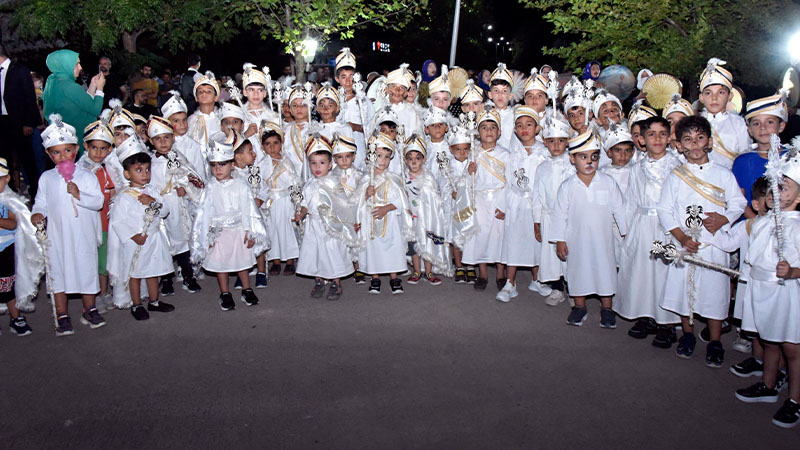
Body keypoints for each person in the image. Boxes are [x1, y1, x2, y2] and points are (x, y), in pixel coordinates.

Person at [657, 115, 746, 367]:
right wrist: (682, 237)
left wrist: (724, 219)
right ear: (680, 145)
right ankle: (687, 334)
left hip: (714, 243)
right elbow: (665, 210)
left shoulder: (723, 174)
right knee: (685, 292)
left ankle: (716, 341)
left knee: (715, 293)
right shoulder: (676, 176)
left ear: (709, 141)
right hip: (686, 244)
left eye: (699, 139)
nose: (694, 145)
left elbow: (738, 203)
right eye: (688, 140)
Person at [734, 153, 800, 428]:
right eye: (774, 183)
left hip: (783, 292)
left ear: (798, 199)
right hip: (760, 288)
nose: (775, 189)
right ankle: (768, 383)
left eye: (783, 186)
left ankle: (795, 400)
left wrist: (795, 271)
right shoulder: (761, 221)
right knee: (769, 340)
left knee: (791, 347)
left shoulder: (796, 227)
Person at [31, 115, 105, 336]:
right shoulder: (46, 178)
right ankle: (62, 313)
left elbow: (98, 202)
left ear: (76, 150)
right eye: (56, 152)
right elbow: (41, 202)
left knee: (87, 271)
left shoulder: (86, 176)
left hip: (83, 234)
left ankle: (89, 308)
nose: (62, 156)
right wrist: (37, 213)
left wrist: (79, 193)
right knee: (58, 272)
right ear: (48, 154)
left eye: (67, 151)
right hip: (58, 236)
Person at [614, 116, 682, 347]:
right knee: (641, 272)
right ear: (642, 139)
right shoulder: (636, 167)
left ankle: (667, 323)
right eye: (651, 134)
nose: (657, 139)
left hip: (666, 226)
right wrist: (627, 230)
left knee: (663, 273)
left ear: (670, 137)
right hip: (642, 224)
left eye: (663, 134)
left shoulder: (677, 166)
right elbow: (631, 200)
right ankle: (646, 316)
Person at [552, 130, 627, 328]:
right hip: (576, 240)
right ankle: (579, 306)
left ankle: (607, 308)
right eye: (583, 157)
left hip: (603, 240)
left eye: (594, 157)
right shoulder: (567, 186)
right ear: (572, 159)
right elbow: (559, 214)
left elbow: (619, 208)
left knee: (605, 270)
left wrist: (626, 233)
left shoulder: (608, 182)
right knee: (578, 271)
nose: (589, 162)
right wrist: (560, 240)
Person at [191, 133, 267, 310]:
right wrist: (207, 237)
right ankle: (224, 292)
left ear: (232, 165)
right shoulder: (209, 188)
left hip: (238, 230)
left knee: (242, 262)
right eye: (214, 165)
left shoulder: (241, 185)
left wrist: (250, 231)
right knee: (221, 264)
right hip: (218, 232)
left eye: (222, 164)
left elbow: (248, 209)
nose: (218, 169)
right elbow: (204, 214)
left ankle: (246, 289)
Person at [107, 137, 175, 319]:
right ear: (127, 174)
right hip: (135, 241)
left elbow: (165, 210)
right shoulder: (124, 197)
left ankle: (154, 301)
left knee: (153, 270)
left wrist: (153, 202)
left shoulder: (152, 191)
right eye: (138, 170)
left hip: (153, 238)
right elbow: (119, 222)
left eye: (147, 170)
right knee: (135, 273)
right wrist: (133, 235)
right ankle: (136, 304)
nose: (144, 174)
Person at [146, 116, 204, 296]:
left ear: (173, 137)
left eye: (166, 137)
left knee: (181, 242)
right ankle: (166, 279)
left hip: (177, 206)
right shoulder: (149, 161)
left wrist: (185, 188)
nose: (163, 142)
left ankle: (188, 276)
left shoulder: (179, 157)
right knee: (163, 244)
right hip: (158, 207)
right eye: (158, 139)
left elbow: (194, 179)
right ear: (150, 140)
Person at [498, 106, 550, 302]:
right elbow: (507, 182)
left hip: (537, 204)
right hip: (517, 204)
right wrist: (504, 206)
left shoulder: (544, 152)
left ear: (537, 128)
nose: (524, 128)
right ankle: (510, 283)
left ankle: (536, 279)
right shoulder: (513, 154)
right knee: (514, 242)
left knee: (536, 242)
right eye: (519, 125)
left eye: (529, 124)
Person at [296, 136, 355, 300]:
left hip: (330, 226)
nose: (317, 167)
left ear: (330, 165)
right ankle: (319, 280)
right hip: (313, 225)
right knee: (314, 253)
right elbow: (305, 204)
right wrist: (300, 212)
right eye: (313, 163)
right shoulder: (308, 184)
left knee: (332, 253)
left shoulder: (334, 184)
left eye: (322, 163)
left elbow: (343, 205)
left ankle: (335, 282)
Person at [356, 132, 413, 294]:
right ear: (370, 157)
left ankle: (394, 277)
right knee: (373, 250)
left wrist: (386, 208)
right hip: (371, 221)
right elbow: (358, 202)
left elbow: (400, 201)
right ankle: (375, 278)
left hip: (389, 221)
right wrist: (366, 194)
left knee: (392, 248)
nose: (383, 160)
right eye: (379, 156)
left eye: (387, 157)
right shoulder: (366, 180)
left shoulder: (393, 179)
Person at [77, 117, 124, 312]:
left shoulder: (107, 168)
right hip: (87, 222)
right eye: (94, 147)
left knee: (103, 260)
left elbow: (114, 190)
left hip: (105, 220)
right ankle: (92, 293)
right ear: (85, 145)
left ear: (110, 150)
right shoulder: (78, 169)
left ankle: (103, 292)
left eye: (103, 148)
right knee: (89, 258)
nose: (98, 153)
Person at [461, 110, 509, 291]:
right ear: (478, 132)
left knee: (499, 236)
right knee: (479, 235)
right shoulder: (473, 154)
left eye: (492, 128)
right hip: (480, 200)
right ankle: (482, 273)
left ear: (499, 132)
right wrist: (469, 172)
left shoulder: (506, 155)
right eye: (484, 128)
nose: (488, 131)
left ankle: (500, 273)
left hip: (498, 198)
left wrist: (504, 205)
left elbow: (509, 183)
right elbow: (466, 183)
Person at [533, 111, 575, 306]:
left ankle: (575, 290)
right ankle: (557, 288)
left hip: (570, 217)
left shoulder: (574, 165)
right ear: (545, 142)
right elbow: (537, 197)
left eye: (561, 140)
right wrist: (537, 221)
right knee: (551, 255)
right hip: (549, 217)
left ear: (567, 141)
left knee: (572, 254)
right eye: (551, 141)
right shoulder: (542, 168)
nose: (556, 145)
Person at [0, 157, 41, 336]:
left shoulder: (9, 200)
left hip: (6, 250)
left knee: (8, 285)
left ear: (7, 179)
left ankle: (15, 317)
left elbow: (12, 224)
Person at [733, 93, 789, 218]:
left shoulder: (792, 159)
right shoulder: (742, 162)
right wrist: (758, 225)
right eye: (756, 123)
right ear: (750, 129)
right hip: (751, 228)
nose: (763, 128)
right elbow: (738, 199)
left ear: (781, 126)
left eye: (769, 122)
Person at [404, 134, 450, 284]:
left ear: (424, 159)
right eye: (410, 158)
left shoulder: (429, 177)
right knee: (414, 247)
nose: (414, 162)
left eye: (417, 158)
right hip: (410, 219)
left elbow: (434, 200)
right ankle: (417, 271)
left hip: (426, 219)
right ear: (405, 160)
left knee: (427, 245)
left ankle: (428, 272)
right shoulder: (403, 178)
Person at [42, 49, 105, 157]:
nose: (80, 68)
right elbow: (95, 110)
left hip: (64, 139)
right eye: (76, 64)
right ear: (66, 65)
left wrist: (92, 86)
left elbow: (83, 104)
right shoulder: (70, 86)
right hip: (78, 137)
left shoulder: (53, 81)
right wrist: (100, 88)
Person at [0, 44, 42, 199]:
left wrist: (28, 123)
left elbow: (29, 98)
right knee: (4, 160)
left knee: (27, 159)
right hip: (1, 122)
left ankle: (36, 193)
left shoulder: (19, 70)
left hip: (19, 123)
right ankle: (9, 193)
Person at [231, 132, 269, 289]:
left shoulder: (255, 172)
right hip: (240, 216)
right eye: (250, 151)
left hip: (255, 215)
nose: (254, 154)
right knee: (243, 245)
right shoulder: (232, 175)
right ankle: (243, 273)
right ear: (238, 157)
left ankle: (261, 272)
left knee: (259, 242)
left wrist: (260, 198)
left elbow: (265, 188)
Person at [263, 123, 302, 276]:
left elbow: (294, 182)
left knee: (287, 230)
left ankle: (290, 260)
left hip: (285, 200)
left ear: (281, 144)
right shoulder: (262, 164)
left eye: (275, 143)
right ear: (262, 146)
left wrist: (296, 202)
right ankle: (276, 260)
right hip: (271, 201)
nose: (272, 148)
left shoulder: (287, 162)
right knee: (272, 229)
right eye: (268, 144)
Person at [698, 58, 750, 169]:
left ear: (730, 96)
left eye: (720, 92)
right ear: (701, 98)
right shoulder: (695, 124)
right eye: (708, 93)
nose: (714, 98)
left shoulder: (739, 124)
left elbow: (745, 157)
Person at [335, 48, 373, 171]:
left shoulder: (363, 101)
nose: (348, 81)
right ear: (337, 79)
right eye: (343, 77)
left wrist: (355, 127)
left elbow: (372, 127)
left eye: (351, 76)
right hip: (338, 151)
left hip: (359, 149)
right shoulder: (333, 101)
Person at [161, 90, 207, 181]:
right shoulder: (163, 145)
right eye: (176, 121)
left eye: (184, 120)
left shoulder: (194, 146)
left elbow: (200, 173)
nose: (182, 124)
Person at [283, 83, 314, 178]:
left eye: (303, 105)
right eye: (295, 106)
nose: (299, 109)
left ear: (310, 107)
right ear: (291, 110)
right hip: (292, 176)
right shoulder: (286, 131)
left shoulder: (316, 129)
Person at [384, 64, 422, 136]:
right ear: (387, 90)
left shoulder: (412, 114)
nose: (397, 91)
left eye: (401, 88)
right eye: (394, 86)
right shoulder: (381, 112)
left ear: (405, 92)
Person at [187, 71, 221, 149]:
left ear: (216, 97)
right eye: (200, 91)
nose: (204, 94)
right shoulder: (191, 120)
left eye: (209, 91)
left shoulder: (222, 118)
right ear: (196, 97)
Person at [488, 63, 516, 150]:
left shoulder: (515, 116)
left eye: (504, 91)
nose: (500, 95)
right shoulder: (485, 116)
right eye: (496, 90)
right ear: (490, 94)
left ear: (510, 95)